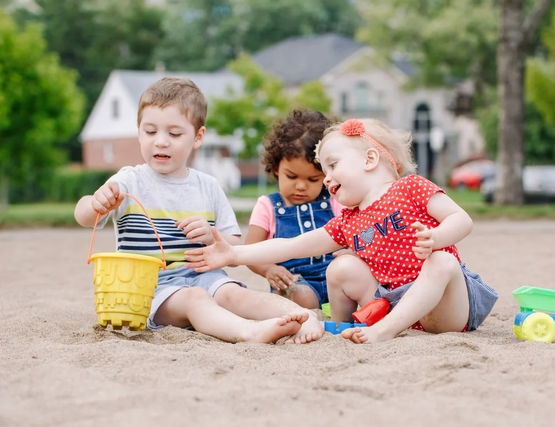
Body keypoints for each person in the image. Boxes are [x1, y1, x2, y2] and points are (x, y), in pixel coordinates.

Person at [185, 117, 498, 344]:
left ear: (370, 159)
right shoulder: (348, 220)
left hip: (446, 308)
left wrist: (437, 238)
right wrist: (234, 253)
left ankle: (384, 331)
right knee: (341, 266)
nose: (327, 179)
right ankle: (340, 326)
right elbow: (294, 245)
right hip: (398, 305)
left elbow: (462, 219)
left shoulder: (412, 188)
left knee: (442, 261)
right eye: (325, 171)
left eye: (333, 165)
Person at [74, 77, 323, 344]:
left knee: (233, 294)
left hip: (206, 276)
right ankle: (248, 331)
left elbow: (234, 246)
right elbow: (84, 216)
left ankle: (303, 316)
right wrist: (95, 202)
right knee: (195, 299)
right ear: (139, 132)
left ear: (198, 137)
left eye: (174, 133)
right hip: (151, 290)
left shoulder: (208, 186)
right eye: (150, 132)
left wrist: (210, 235)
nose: (161, 142)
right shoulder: (128, 181)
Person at [245, 109, 343, 310]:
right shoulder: (268, 206)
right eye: (291, 177)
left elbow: (354, 235)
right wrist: (268, 269)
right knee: (297, 295)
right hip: (294, 281)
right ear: (275, 169)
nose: (300, 186)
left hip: (336, 277)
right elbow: (250, 251)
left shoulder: (335, 200)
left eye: (312, 179)